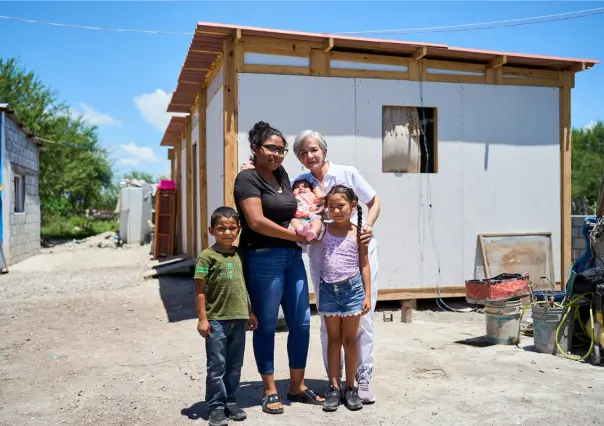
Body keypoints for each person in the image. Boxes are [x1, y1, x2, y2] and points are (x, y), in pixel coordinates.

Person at [241, 129, 381, 403]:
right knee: (328, 321)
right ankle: (335, 381)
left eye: (313, 150)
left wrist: (368, 226)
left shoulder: (347, 173)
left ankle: (361, 378)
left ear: (324, 151)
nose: (309, 156)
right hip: (323, 257)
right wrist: (250, 167)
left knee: (362, 319)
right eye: (302, 152)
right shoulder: (298, 182)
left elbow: (374, 202)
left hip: (356, 250)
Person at [233, 121, 324, 415]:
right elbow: (256, 221)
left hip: (291, 258)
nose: (277, 154)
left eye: (282, 150)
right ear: (256, 149)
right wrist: (294, 235)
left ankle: (296, 386)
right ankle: (270, 389)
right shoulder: (246, 180)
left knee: (302, 322)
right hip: (262, 256)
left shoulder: (281, 174)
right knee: (268, 325)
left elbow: (294, 204)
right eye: (271, 148)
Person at [194, 206, 258, 426]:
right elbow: (199, 290)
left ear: (238, 229)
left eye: (232, 228)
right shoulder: (206, 257)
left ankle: (230, 400)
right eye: (222, 228)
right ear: (212, 230)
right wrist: (203, 319)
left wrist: (249, 312)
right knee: (216, 365)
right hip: (216, 321)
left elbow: (243, 286)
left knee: (235, 364)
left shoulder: (240, 254)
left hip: (239, 320)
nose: (227, 233)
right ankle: (216, 406)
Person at [317, 185, 371, 412]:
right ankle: (333, 386)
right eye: (331, 206)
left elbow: (364, 264)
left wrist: (367, 294)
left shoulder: (359, 232)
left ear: (353, 206)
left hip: (352, 291)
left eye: (341, 206)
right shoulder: (322, 229)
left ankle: (351, 387)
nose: (336, 211)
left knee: (350, 339)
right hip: (328, 290)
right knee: (333, 338)